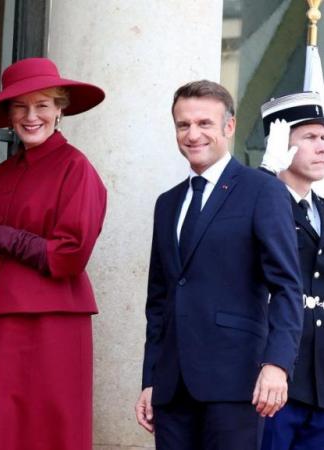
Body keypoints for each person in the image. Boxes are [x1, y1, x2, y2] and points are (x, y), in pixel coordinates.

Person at [134, 80, 303, 449]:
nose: (193, 134)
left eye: (204, 123)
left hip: (236, 382)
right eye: (183, 125)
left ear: (229, 126)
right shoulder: (167, 203)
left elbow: (288, 286)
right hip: (172, 389)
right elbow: (159, 301)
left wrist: (276, 364)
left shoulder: (262, 191)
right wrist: (151, 379)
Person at [0, 57, 107, 450]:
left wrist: (5, 238)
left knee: (41, 432)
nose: (31, 116)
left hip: (50, 326)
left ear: (60, 109)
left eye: (42, 105)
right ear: (9, 115)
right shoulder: (4, 172)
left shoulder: (76, 168)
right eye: (20, 107)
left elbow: (70, 255)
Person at [258, 92, 324, 450]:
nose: (321, 147)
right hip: (275, 380)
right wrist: (267, 177)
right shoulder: (256, 200)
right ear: (281, 143)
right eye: (309, 137)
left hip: (320, 384)